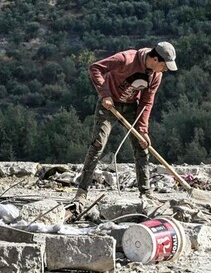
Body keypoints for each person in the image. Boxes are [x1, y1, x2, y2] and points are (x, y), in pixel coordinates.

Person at [73, 41, 177, 206]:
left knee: (142, 145)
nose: (165, 70)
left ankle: (146, 192)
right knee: (98, 144)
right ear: (156, 59)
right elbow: (95, 68)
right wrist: (105, 94)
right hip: (109, 105)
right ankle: (82, 191)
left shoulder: (156, 76)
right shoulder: (126, 59)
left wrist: (143, 130)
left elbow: (146, 102)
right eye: (165, 66)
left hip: (131, 108)